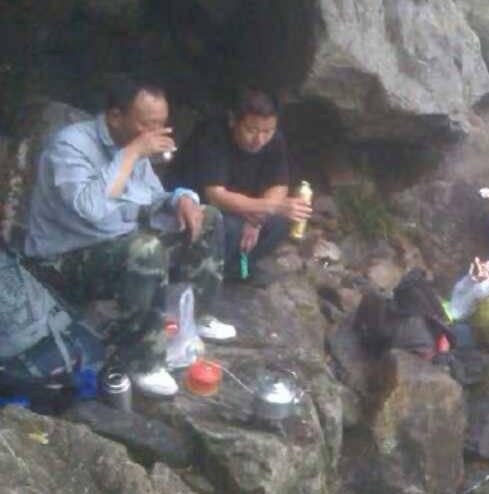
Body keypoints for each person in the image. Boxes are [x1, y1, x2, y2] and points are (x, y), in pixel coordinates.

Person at [23, 76, 234, 397]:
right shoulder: (69, 146)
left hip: (116, 240)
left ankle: (193, 318)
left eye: (161, 124)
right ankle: (141, 359)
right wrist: (132, 153)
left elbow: (150, 198)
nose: (156, 133)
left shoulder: (131, 145)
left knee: (207, 217)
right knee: (145, 249)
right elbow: (91, 208)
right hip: (62, 259)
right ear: (115, 116)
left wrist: (179, 198)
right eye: (148, 124)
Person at [166, 89, 311, 283]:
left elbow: (279, 185)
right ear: (233, 120)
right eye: (251, 130)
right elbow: (216, 195)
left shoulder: (274, 140)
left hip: (247, 206)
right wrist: (269, 207)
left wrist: (257, 219)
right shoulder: (213, 135)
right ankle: (198, 272)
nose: (259, 140)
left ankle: (237, 270)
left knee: (279, 222)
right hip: (198, 205)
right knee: (230, 227)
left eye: (267, 132)